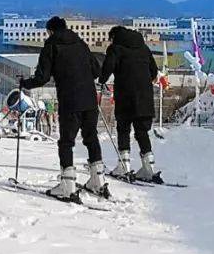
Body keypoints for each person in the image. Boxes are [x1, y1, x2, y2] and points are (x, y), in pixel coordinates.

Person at [20, 16, 107, 200]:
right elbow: (97, 71)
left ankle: (68, 184)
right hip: (90, 99)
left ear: (50, 31)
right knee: (91, 138)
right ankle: (98, 180)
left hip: (70, 100)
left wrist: (25, 83)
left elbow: (42, 77)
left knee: (67, 142)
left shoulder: (51, 46)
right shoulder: (80, 43)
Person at [99, 26, 159, 181]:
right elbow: (154, 71)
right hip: (145, 96)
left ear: (113, 37)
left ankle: (124, 165)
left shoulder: (116, 48)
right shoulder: (143, 48)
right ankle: (149, 167)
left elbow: (107, 68)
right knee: (141, 132)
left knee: (123, 129)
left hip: (126, 94)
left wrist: (100, 80)